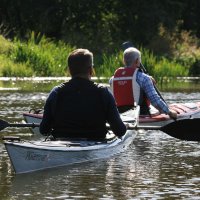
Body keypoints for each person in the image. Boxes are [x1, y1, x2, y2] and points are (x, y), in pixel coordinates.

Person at [40, 48, 127, 140]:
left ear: (69, 70)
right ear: (91, 70)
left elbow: (44, 130)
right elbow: (120, 131)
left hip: (61, 144)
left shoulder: (56, 92)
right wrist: (127, 127)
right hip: (95, 143)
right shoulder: (103, 92)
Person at [109, 47, 177, 119]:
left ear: (123, 61)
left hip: (120, 115)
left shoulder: (112, 79)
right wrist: (169, 112)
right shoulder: (144, 78)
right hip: (140, 114)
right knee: (152, 107)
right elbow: (155, 100)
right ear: (137, 61)